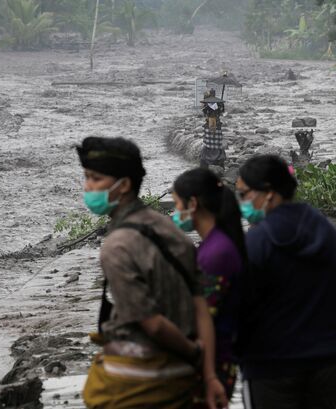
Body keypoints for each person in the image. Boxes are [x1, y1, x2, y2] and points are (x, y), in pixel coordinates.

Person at [78, 137, 227, 409]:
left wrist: (192, 351)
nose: (87, 187)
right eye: (87, 177)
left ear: (123, 185)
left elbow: (154, 324)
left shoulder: (117, 247)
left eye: (95, 179)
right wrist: (208, 374)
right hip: (182, 381)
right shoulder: (170, 229)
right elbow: (200, 306)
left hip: (135, 385)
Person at [235, 155, 336, 409]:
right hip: (327, 363)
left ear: (268, 193)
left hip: (271, 367)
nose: (242, 203)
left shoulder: (257, 242)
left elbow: (239, 307)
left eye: (244, 194)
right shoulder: (325, 231)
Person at [172, 168, 246, 406]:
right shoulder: (215, 245)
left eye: (176, 205)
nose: (175, 213)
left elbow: (204, 314)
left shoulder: (216, 253)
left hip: (213, 362)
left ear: (192, 203)